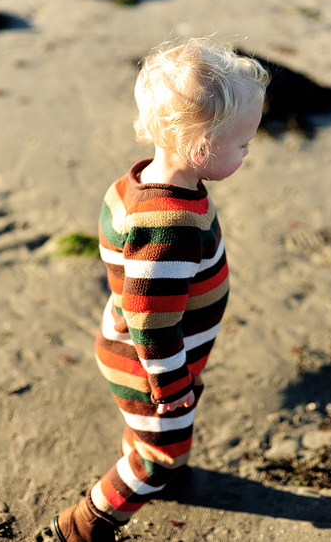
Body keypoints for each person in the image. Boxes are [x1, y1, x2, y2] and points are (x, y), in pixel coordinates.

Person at [50, 38, 269, 542]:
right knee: (158, 457)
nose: (248, 151)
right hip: (148, 360)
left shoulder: (137, 181)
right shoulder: (169, 225)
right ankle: (83, 526)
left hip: (141, 344)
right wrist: (171, 387)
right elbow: (152, 319)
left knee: (154, 431)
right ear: (200, 148)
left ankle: (154, 441)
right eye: (242, 143)